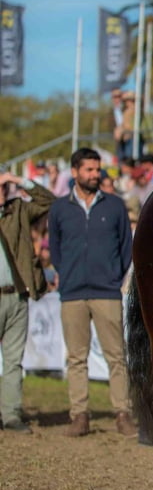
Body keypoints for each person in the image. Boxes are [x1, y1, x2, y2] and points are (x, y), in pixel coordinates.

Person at [49, 148, 136, 438]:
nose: (95, 175)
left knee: (116, 356)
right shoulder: (59, 209)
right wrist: (68, 274)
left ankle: (123, 413)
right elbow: (56, 250)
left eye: (97, 169)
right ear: (74, 172)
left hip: (106, 292)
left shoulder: (115, 206)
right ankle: (80, 416)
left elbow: (125, 248)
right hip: (72, 293)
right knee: (76, 358)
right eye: (88, 170)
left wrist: (112, 277)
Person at [0, 173, 55, 433]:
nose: (2, 189)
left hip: (17, 295)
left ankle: (10, 415)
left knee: (13, 360)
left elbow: (49, 201)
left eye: (4, 185)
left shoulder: (18, 209)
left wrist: (18, 179)